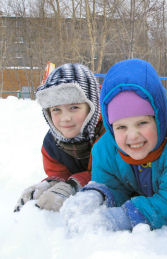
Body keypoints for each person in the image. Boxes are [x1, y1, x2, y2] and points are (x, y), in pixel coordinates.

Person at [62, 59, 167, 231]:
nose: (132, 136)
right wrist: (98, 195)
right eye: (121, 127)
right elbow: (111, 184)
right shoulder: (105, 150)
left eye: (142, 123)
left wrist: (123, 217)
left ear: (159, 118)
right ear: (111, 127)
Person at [14, 63, 104, 212]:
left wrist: (74, 185)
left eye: (74, 107)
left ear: (92, 106)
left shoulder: (108, 135)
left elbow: (110, 177)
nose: (65, 118)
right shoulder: (52, 144)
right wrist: (50, 184)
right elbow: (59, 173)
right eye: (56, 109)